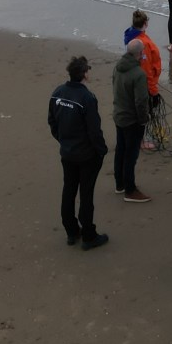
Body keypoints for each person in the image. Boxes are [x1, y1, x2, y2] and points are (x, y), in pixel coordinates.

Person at [48, 55, 111, 250]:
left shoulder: (58, 92)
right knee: (85, 193)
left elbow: (52, 122)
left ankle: (71, 230)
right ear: (84, 74)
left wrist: (64, 141)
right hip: (86, 155)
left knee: (69, 190)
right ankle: (88, 235)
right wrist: (101, 150)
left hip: (68, 153)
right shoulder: (87, 98)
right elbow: (94, 130)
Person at [110, 37, 153, 203]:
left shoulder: (118, 67)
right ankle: (130, 190)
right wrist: (143, 120)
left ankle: (119, 184)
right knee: (130, 155)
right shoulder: (138, 74)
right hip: (131, 120)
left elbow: (115, 86)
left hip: (119, 115)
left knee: (121, 150)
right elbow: (141, 101)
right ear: (140, 53)